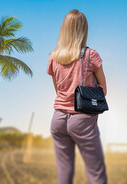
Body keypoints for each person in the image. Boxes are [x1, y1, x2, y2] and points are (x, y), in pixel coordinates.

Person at [47, 9, 108, 184]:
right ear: (83, 30)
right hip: (82, 118)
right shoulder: (91, 55)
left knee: (64, 171)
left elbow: (58, 89)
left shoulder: (53, 57)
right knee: (95, 172)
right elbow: (103, 89)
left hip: (58, 118)